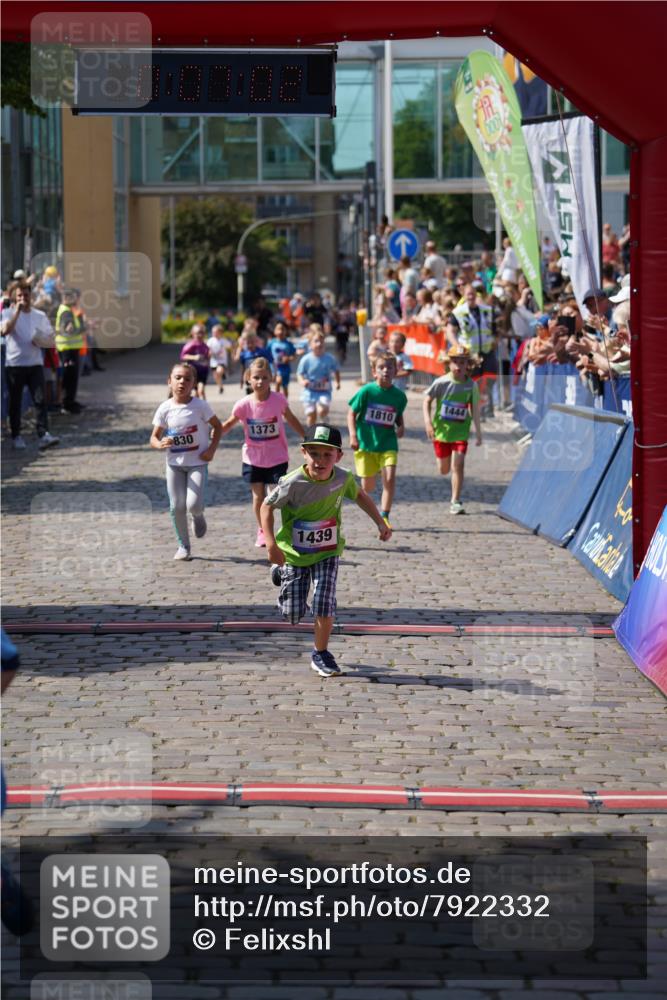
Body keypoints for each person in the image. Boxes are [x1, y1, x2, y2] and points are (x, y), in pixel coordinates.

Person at [260, 423, 391, 677]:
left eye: (327, 454)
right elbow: (267, 506)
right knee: (292, 614)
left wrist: (380, 522)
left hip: (328, 552)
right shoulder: (292, 482)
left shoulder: (343, 478)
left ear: (338, 456)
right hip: (294, 554)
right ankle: (280, 572)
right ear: (304, 452)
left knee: (323, 599)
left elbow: (360, 495)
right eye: (314, 453)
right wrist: (271, 543)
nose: (320, 460)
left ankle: (321, 653)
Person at [220, 357, 304, 548]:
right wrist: (216, 433)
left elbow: (291, 418)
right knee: (258, 497)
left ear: (271, 378)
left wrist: (306, 437)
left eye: (265, 377)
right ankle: (263, 531)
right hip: (253, 458)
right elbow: (229, 423)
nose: (260, 382)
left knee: (274, 496)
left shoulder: (278, 400)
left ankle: (279, 528)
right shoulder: (243, 404)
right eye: (256, 377)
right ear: (248, 378)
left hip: (277, 457)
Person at [150, 362, 222, 560]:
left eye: (187, 379)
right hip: (174, 465)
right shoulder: (165, 408)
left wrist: (211, 450)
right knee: (176, 506)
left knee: (194, 505)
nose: (182, 382)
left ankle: (198, 515)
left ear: (194, 383)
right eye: (178, 378)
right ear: (169, 381)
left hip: (197, 462)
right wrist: (160, 444)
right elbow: (153, 437)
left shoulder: (200, 406)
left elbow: (218, 427)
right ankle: (183, 546)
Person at [347, 352, 407, 530]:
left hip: (388, 443)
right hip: (366, 444)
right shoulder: (367, 391)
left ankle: (385, 515)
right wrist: (353, 435)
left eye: (390, 367)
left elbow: (397, 415)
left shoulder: (400, 396)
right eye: (381, 367)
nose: (385, 370)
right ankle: (376, 473)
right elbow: (351, 413)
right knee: (368, 486)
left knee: (390, 478)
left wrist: (401, 426)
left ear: (395, 371)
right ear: (374, 371)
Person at [423, 345, 482, 515]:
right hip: (442, 432)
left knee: (458, 465)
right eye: (455, 362)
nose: (458, 366)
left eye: (462, 362)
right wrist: (428, 422)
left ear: (468, 364)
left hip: (461, 432)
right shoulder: (441, 382)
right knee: (444, 469)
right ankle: (445, 468)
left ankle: (455, 501)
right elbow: (427, 401)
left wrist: (478, 433)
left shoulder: (471, 385)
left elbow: (475, 410)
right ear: (448, 363)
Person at [1, 282, 59, 450]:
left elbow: (51, 339)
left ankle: (44, 434)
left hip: (34, 364)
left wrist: (41, 340)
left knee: (40, 400)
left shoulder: (39, 315)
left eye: (25, 295)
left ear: (30, 296)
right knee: (15, 402)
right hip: (15, 365)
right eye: (19, 295)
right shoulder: (7, 313)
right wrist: (17, 312)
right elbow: (4, 331)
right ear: (14, 297)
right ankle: (16, 436)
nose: (23, 298)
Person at [447, 283, 498, 419]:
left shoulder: (487, 310)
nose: (471, 297)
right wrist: (458, 347)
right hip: (470, 354)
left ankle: (486, 409)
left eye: (473, 294)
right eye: (468, 294)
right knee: (473, 382)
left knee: (488, 380)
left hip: (487, 352)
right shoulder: (458, 312)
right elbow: (450, 331)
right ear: (463, 295)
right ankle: (473, 410)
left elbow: (495, 330)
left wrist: (495, 340)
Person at [296, 326, 340, 426]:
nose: (319, 344)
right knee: (311, 415)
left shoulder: (329, 358)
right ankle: (310, 432)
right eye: (316, 341)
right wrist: (302, 381)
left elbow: (336, 370)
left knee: (322, 410)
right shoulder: (306, 359)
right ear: (310, 345)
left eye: (321, 341)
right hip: (309, 391)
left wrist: (338, 382)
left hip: (324, 391)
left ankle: (325, 420)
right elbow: (299, 373)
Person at [179, 323, 211, 399]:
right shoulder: (190, 345)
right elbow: (183, 356)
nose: (200, 335)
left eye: (202, 333)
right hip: (193, 372)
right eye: (198, 333)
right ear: (192, 334)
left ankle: (204, 406)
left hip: (203, 372)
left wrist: (208, 359)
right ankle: (198, 405)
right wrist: (194, 357)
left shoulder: (205, 346)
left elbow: (207, 357)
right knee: (196, 393)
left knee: (201, 391)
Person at [267, 320, 297, 397]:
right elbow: (266, 354)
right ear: (274, 331)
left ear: (286, 331)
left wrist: (288, 358)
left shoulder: (288, 344)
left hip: (286, 368)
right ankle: (276, 399)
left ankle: (285, 402)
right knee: (278, 381)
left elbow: (294, 356)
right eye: (278, 329)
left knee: (285, 387)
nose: (280, 331)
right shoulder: (271, 343)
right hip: (275, 368)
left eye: (282, 329)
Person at [207, 323, 232, 395]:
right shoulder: (210, 340)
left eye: (215, 332)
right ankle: (220, 387)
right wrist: (209, 353)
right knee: (216, 376)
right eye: (213, 332)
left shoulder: (224, 341)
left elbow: (230, 346)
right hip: (213, 361)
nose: (213, 333)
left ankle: (222, 373)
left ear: (220, 333)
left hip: (222, 361)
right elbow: (208, 349)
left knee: (219, 371)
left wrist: (233, 354)